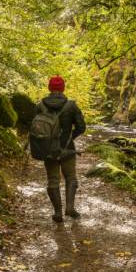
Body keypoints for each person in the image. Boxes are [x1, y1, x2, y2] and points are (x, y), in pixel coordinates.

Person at [33, 76, 87, 222]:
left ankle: (57, 212)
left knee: (53, 180)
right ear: (63, 88)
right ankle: (70, 207)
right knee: (71, 177)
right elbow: (81, 127)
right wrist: (70, 137)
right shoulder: (71, 106)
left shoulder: (40, 106)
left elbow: (35, 129)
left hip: (48, 149)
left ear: (50, 88)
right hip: (67, 148)